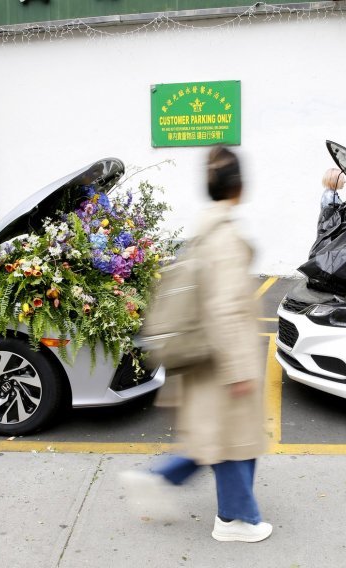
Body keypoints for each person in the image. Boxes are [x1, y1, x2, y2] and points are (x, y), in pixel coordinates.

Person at [120, 145, 271, 543]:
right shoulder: (225, 238)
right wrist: (240, 369)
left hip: (204, 356)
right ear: (239, 186)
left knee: (216, 439)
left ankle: (222, 510)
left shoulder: (204, 231)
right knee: (232, 440)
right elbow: (227, 309)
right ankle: (235, 519)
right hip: (221, 357)